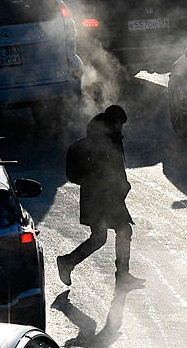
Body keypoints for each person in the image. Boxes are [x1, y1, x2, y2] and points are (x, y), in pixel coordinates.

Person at [58, 105, 144, 287]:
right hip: (99, 198)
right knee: (114, 233)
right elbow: (101, 170)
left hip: (108, 197)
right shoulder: (99, 142)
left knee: (108, 235)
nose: (121, 127)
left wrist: (122, 186)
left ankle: (69, 262)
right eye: (119, 124)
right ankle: (69, 263)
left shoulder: (110, 138)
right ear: (111, 123)